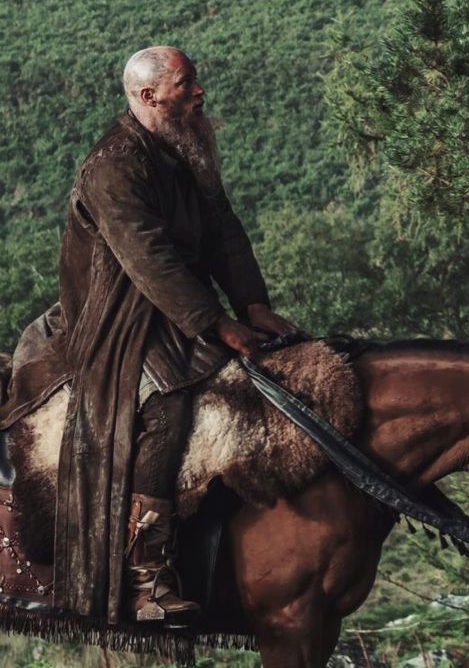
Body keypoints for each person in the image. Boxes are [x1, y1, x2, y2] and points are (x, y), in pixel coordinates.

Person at [0, 47, 295, 627]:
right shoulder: (112, 165)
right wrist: (216, 322)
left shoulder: (186, 150)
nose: (199, 92)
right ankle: (145, 573)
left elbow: (224, 232)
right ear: (147, 96)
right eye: (187, 85)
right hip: (111, 321)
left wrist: (255, 306)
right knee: (166, 401)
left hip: (169, 311)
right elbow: (148, 255)